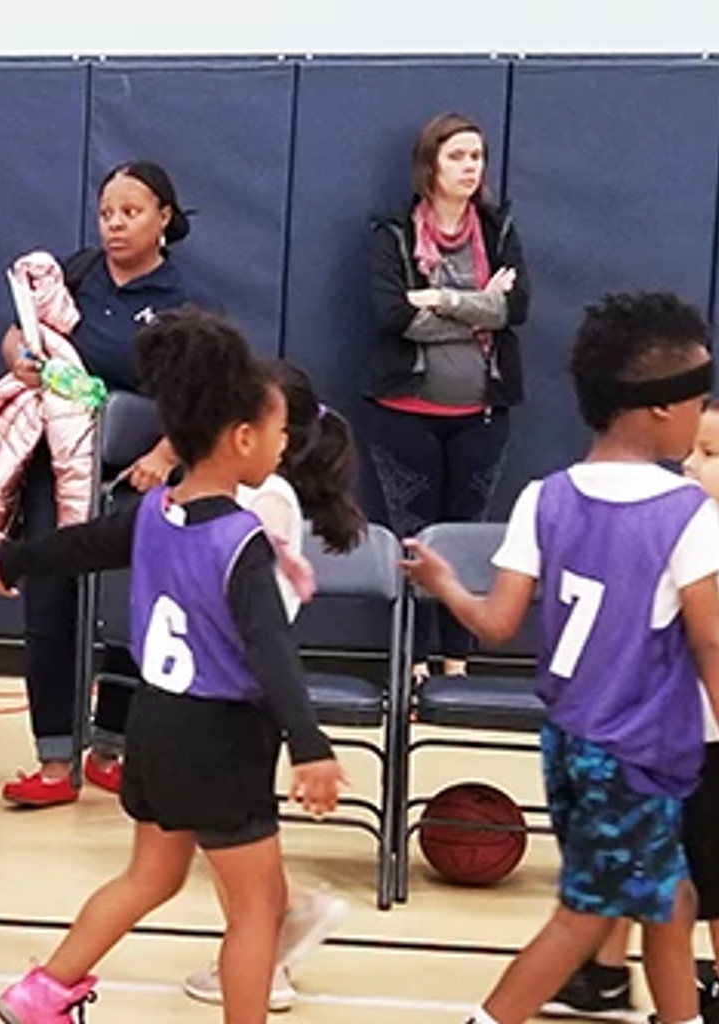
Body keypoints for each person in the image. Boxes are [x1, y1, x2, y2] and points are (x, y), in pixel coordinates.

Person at [0, 309, 347, 1024]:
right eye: (278, 433)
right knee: (257, 911)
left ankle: (41, 994)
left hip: (153, 728)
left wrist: (11, 558)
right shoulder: (242, 538)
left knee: (147, 877)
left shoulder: (154, 512)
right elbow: (270, 650)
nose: (284, 445)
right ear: (243, 438)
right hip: (221, 738)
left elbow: (81, 544)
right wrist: (311, 745)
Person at [403, 292, 719, 1024]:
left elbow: (496, 624)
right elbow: (709, 641)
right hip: (636, 752)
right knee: (584, 917)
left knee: (670, 898)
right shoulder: (686, 515)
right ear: (665, 412)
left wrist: (446, 581)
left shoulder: (545, 497)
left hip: (570, 742)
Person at [0, 160, 210, 807]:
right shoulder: (76, 276)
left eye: (131, 212)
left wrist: (165, 453)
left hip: (137, 474)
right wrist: (20, 358)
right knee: (50, 602)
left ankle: (111, 747)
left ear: (163, 218)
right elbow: (20, 332)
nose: (115, 224)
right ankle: (54, 763)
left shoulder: (182, 301)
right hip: (56, 463)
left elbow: (206, 389)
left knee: (126, 608)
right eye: (107, 213)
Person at [179, 360, 363, 1011]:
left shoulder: (264, 498)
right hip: (228, 680)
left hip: (239, 684)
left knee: (235, 836)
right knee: (224, 835)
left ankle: (272, 959)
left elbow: (243, 604)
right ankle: (272, 934)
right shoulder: (258, 492)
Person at [544, 400, 719, 1022]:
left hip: (703, 745)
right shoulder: (675, 527)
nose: (692, 465)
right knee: (648, 875)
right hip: (658, 741)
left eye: (712, 454)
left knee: (692, 888)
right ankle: (607, 977)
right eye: (693, 449)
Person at [367, 112, 530, 683]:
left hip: (481, 417)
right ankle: (409, 660)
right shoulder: (393, 233)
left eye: (477, 157)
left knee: (464, 538)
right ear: (430, 165)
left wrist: (439, 297)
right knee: (412, 538)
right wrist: (478, 304)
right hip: (404, 416)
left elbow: (517, 310)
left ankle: (456, 664)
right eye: (457, 156)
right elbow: (393, 316)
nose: (470, 167)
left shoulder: (498, 229)